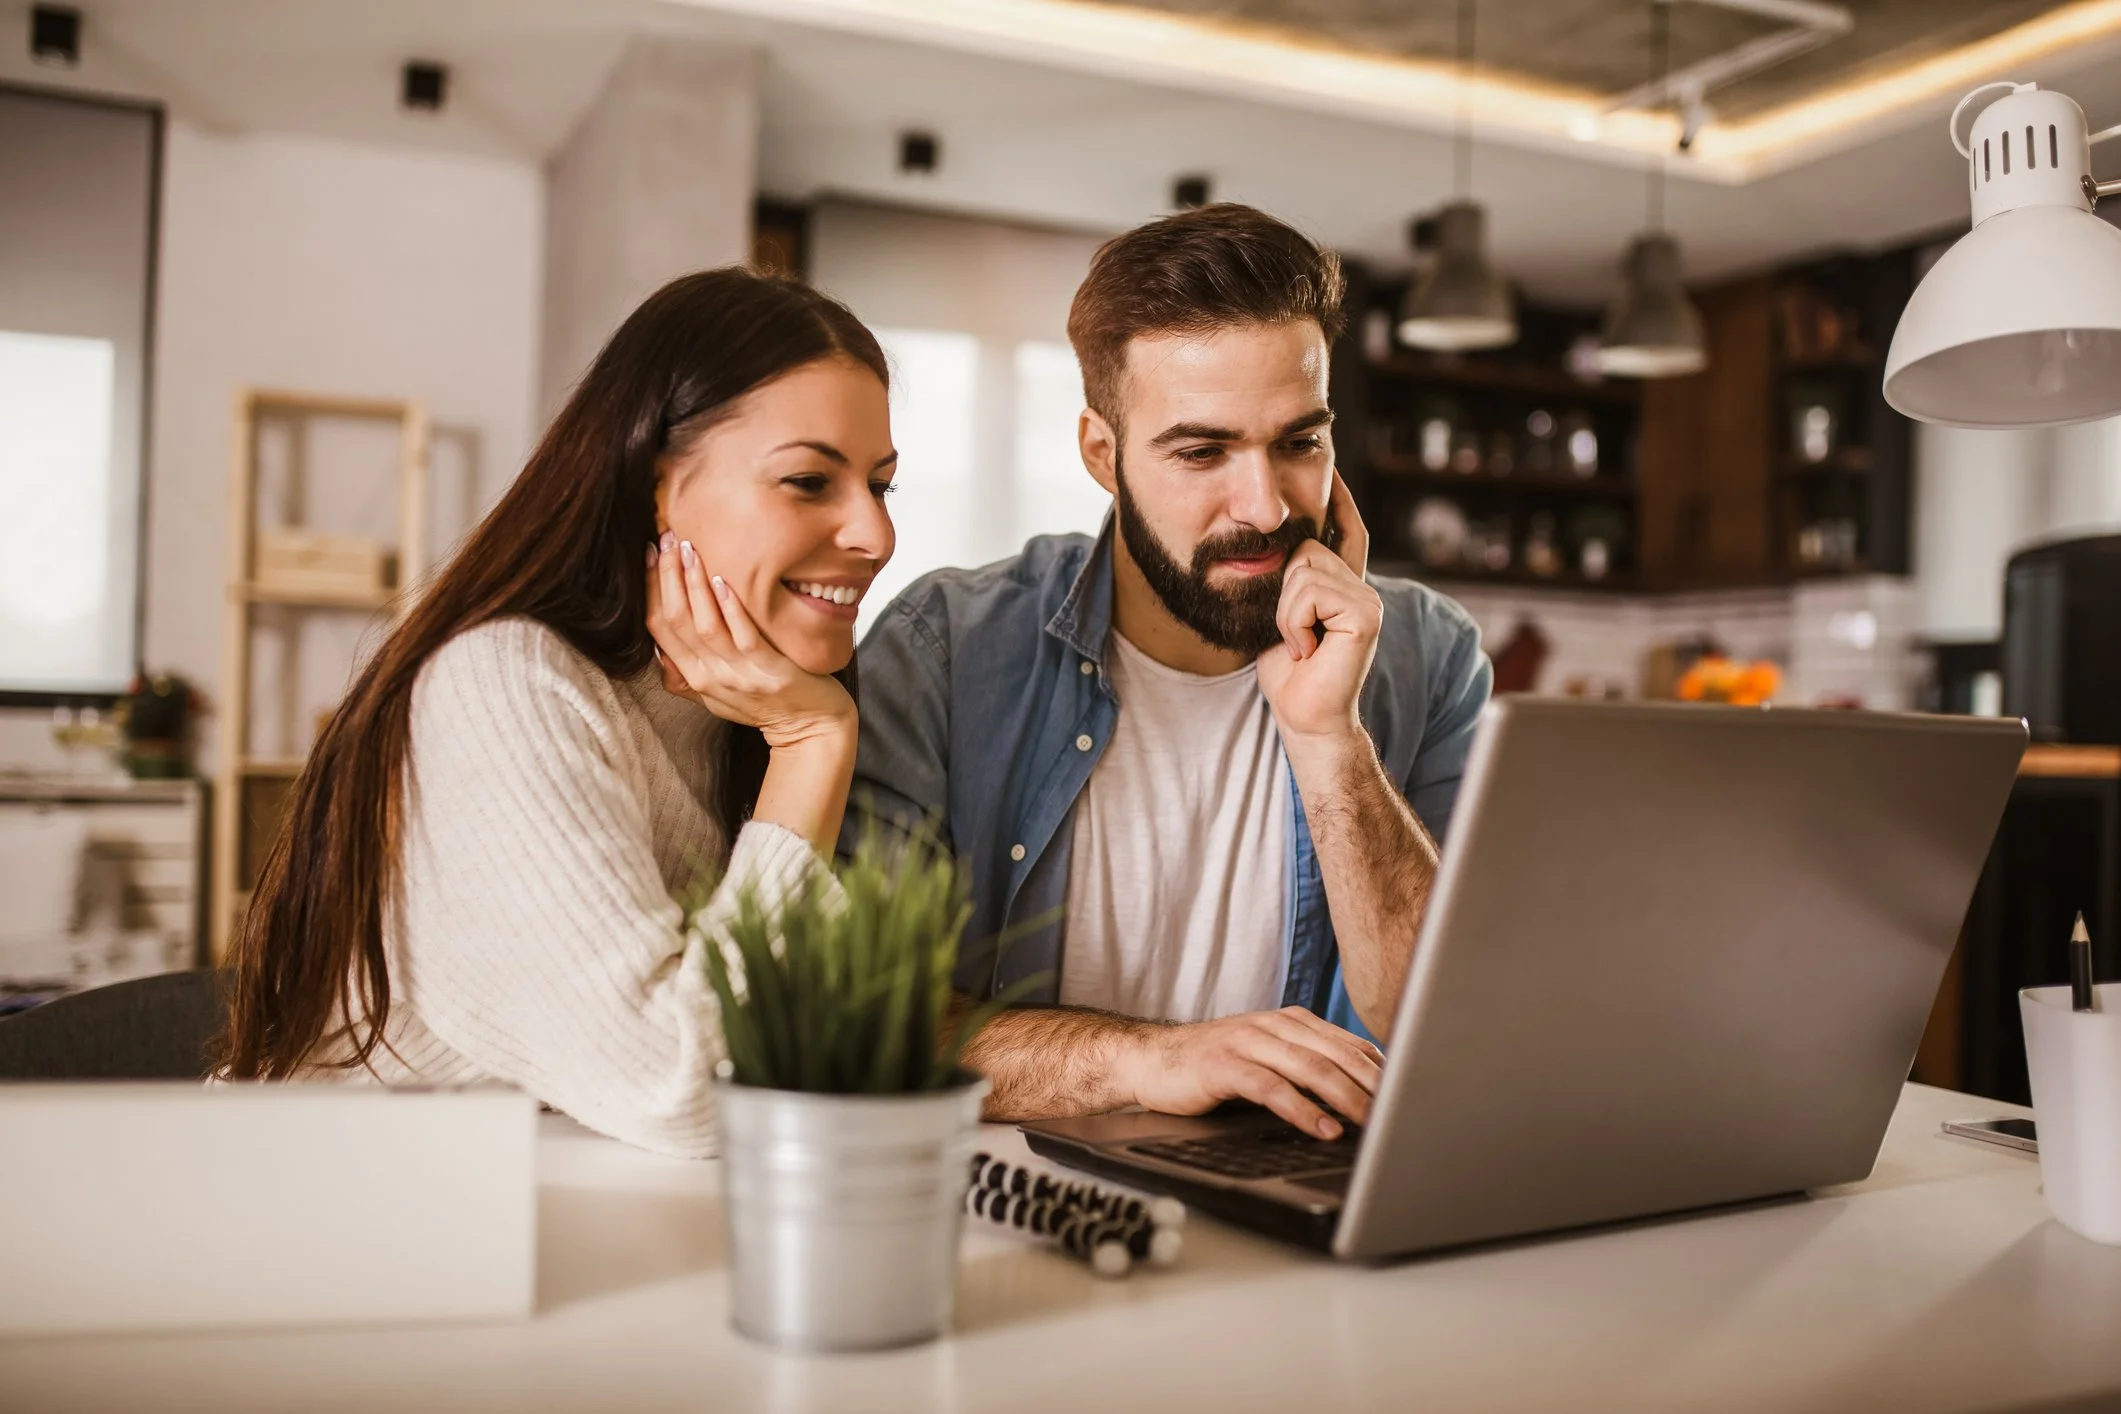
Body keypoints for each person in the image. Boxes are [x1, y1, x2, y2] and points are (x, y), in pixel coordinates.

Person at [218, 269, 898, 1158]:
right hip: (322, 1227)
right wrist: (811, 749)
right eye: (810, 480)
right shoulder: (505, 685)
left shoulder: (750, 711)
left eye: (882, 487)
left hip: (539, 1221)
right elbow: (684, 1090)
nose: (875, 536)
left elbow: (826, 1051)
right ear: (655, 487)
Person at [848, 204, 1492, 1142]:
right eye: (1201, 451)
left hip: (1302, 1207)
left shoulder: (1424, 652)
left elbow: (1451, 1026)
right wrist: (1152, 1060)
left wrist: (1327, 738)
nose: (1264, 505)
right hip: (1020, 1210)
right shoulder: (944, 650)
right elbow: (870, 1023)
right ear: (1102, 456)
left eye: (1298, 442)